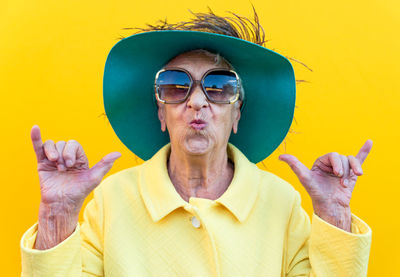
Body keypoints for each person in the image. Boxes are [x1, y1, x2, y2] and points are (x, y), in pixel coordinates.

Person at [20, 9, 373, 277]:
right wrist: (57, 214)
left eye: (220, 87)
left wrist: (334, 215)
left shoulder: (280, 203)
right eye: (176, 86)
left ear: (237, 115)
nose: (197, 101)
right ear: (161, 114)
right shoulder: (113, 200)